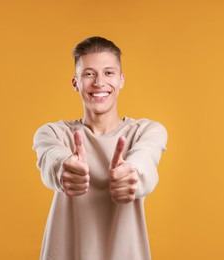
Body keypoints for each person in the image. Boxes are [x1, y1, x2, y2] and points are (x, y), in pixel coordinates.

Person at [33, 36, 168, 260]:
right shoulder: (53, 133)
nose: (99, 83)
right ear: (75, 83)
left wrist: (133, 174)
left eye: (108, 72)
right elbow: (51, 159)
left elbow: (146, 159)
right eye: (88, 74)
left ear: (121, 80)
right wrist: (62, 170)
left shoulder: (146, 131)